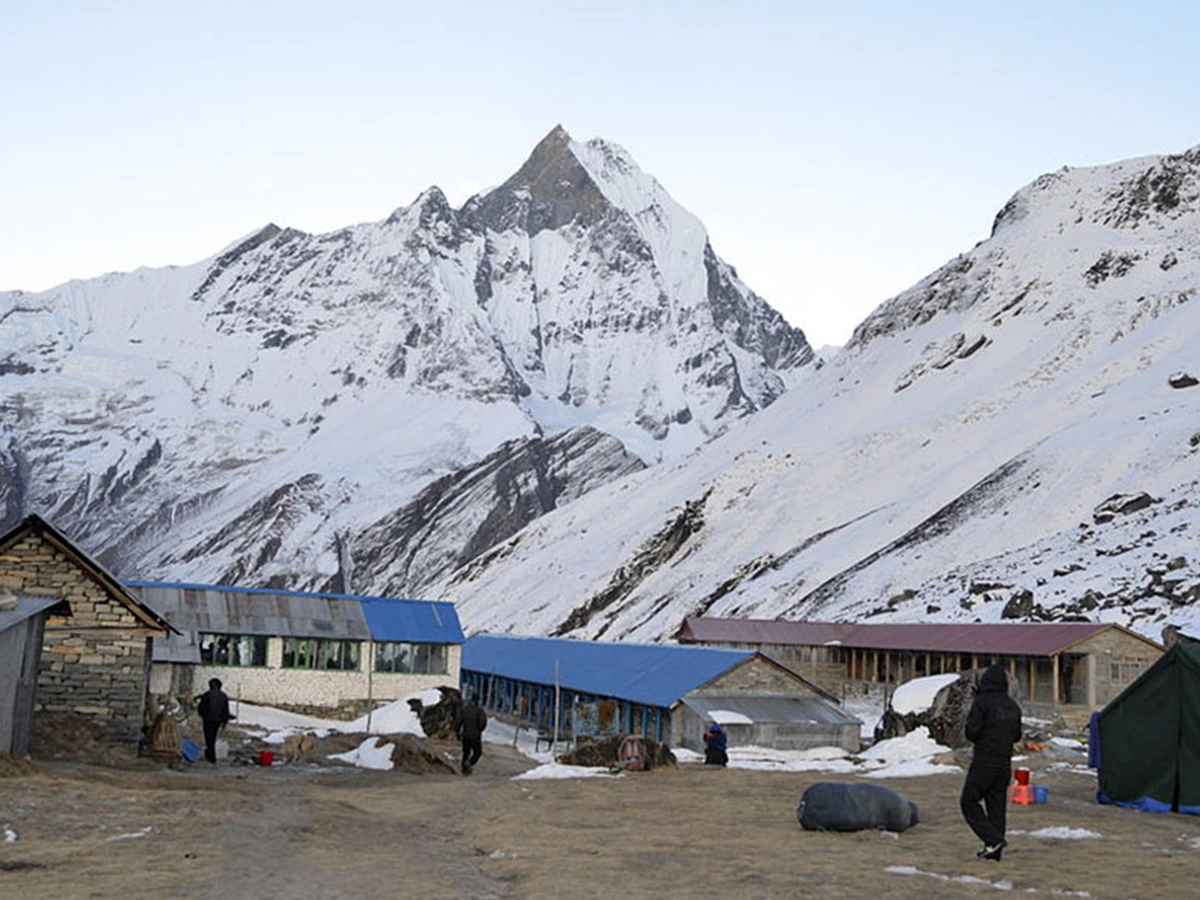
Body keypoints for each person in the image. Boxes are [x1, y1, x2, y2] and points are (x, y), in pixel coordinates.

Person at [960, 664, 1023, 861]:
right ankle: (994, 851)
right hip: (1004, 763)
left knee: (968, 801)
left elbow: (972, 732)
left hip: (983, 761)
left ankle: (993, 839)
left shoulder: (982, 702)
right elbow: (1016, 736)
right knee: (997, 808)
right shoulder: (1013, 706)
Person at [196, 677, 233, 764]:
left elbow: (201, 707)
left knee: (208, 737)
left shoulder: (207, 695)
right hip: (218, 720)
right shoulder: (223, 696)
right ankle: (210, 753)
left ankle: (211, 755)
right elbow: (225, 710)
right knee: (213, 736)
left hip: (208, 719)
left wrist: (202, 714)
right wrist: (225, 721)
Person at [455, 692, 487, 775]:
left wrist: (457, 733)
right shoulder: (479, 711)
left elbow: (458, 722)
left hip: (465, 734)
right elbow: (482, 723)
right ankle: (470, 762)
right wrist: (480, 730)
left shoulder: (465, 709)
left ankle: (464, 769)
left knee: (466, 752)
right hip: (475, 735)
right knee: (477, 752)